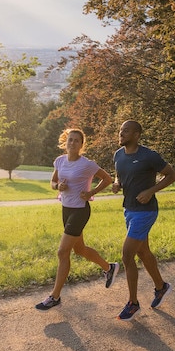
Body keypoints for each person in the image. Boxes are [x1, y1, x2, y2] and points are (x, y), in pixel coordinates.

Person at [36, 128, 119, 310]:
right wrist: (59, 185)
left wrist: (91, 192)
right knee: (79, 249)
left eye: (76, 141)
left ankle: (55, 296)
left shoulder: (87, 164)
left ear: (82, 145)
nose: (72, 143)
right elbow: (52, 183)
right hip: (65, 209)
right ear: (65, 141)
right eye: (70, 140)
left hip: (80, 211)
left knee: (62, 252)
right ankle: (109, 268)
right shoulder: (59, 161)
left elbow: (106, 178)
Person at [112, 120, 175, 321]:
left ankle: (133, 303)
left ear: (137, 134)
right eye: (121, 130)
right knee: (142, 251)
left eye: (126, 131)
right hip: (129, 210)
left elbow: (171, 175)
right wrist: (116, 184)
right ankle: (161, 286)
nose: (121, 133)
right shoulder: (118, 155)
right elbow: (119, 176)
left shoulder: (149, 156)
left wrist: (151, 191)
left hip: (145, 211)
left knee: (127, 255)